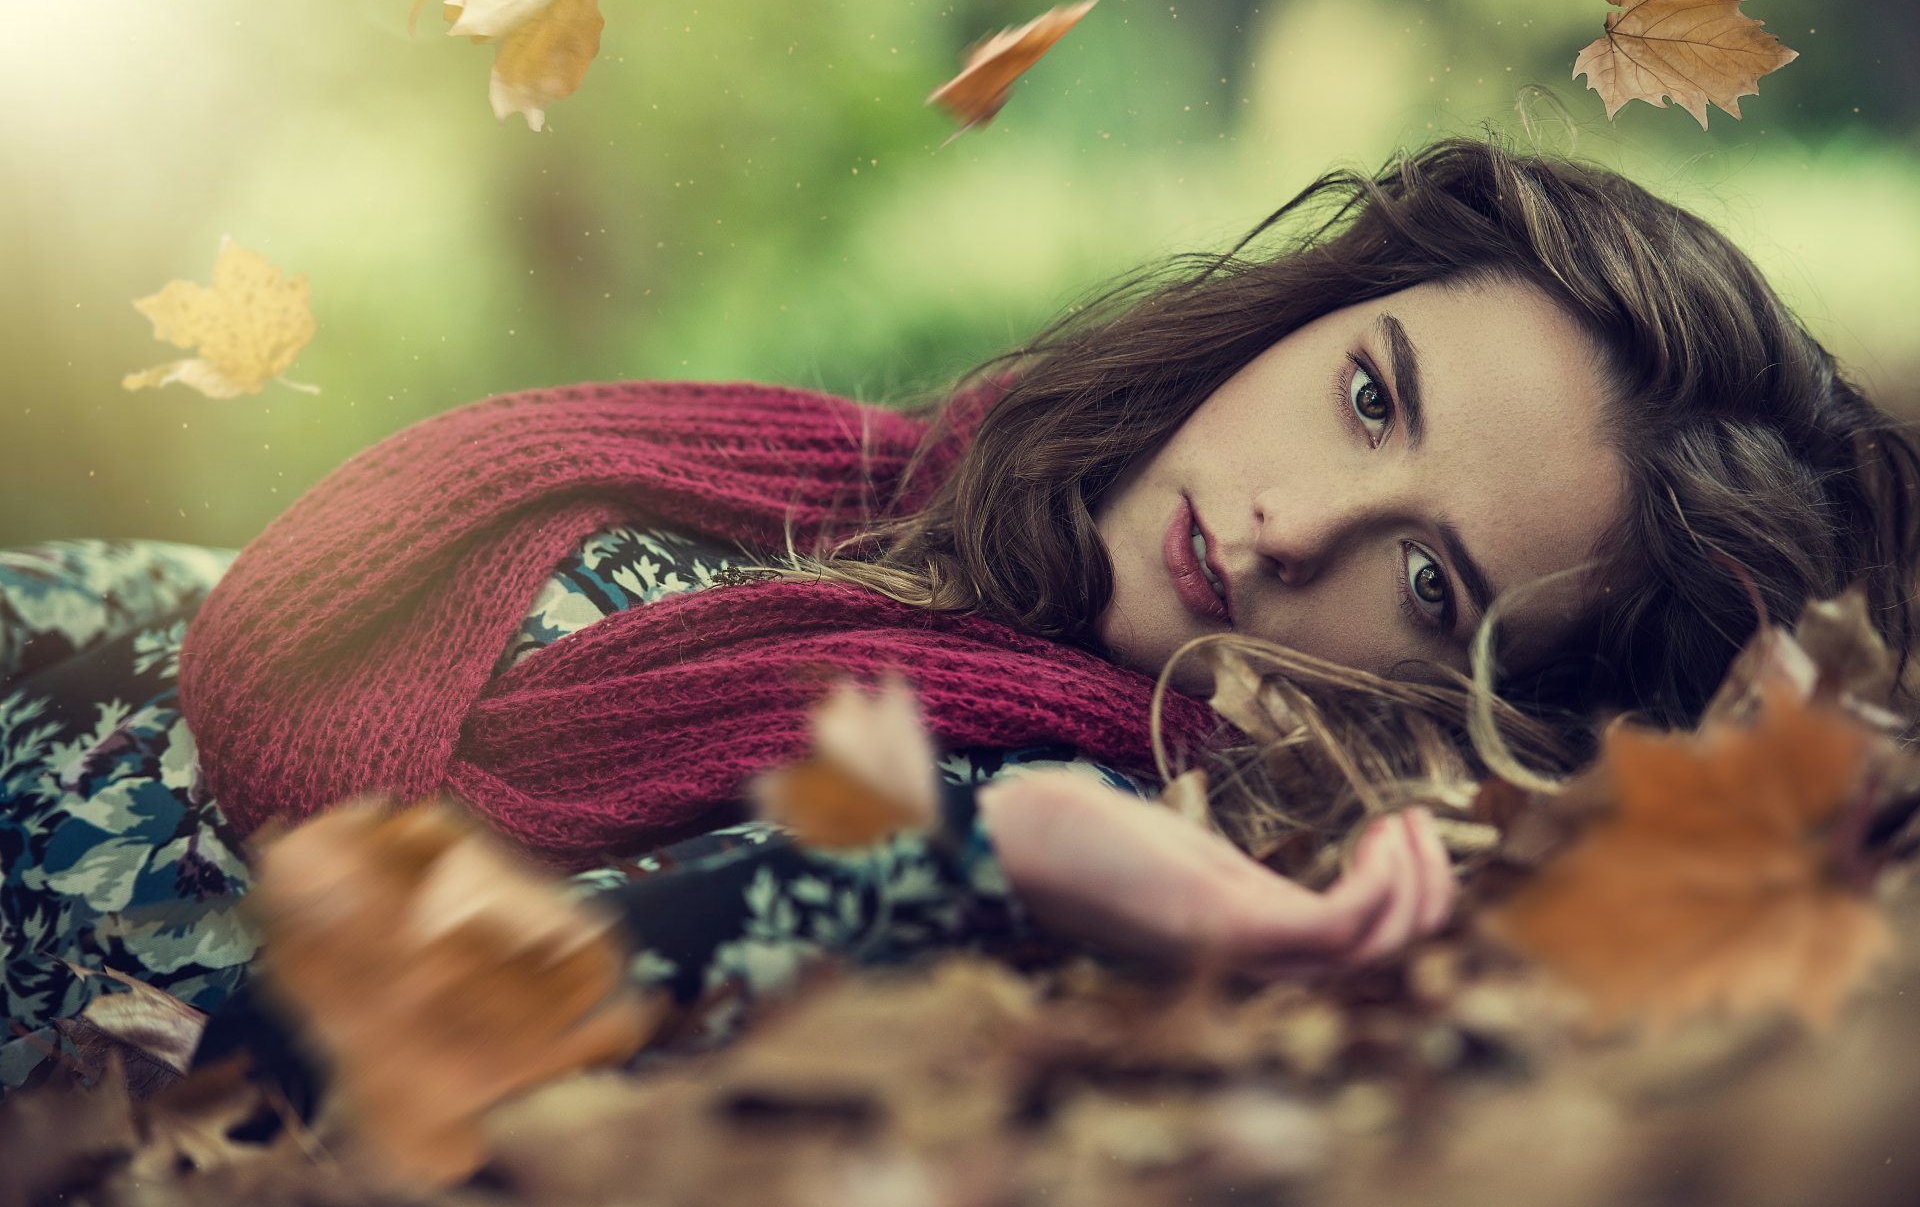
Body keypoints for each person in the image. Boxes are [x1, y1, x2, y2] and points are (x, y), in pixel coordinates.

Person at [1, 136, 1914, 1093]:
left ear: (1482, 691)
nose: (1282, 532)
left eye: (1428, 582)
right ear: (1313, 309)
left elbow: (306, 1031)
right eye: (1369, 394)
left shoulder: (1007, 816)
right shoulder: (887, 472)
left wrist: (994, 850)